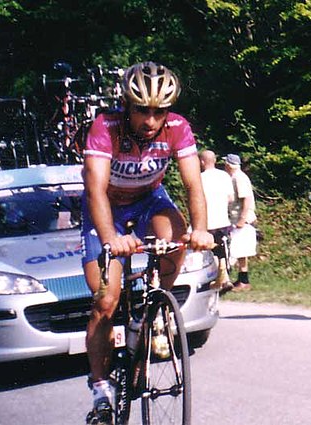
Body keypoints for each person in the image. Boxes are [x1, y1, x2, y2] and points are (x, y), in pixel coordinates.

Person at [81, 61, 213, 425]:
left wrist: (201, 229)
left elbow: (192, 185)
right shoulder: (104, 128)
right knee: (105, 300)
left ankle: (154, 311)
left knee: (177, 234)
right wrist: (111, 239)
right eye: (142, 110)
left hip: (149, 201)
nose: (151, 120)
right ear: (126, 104)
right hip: (105, 205)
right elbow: (94, 189)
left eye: (159, 111)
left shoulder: (177, 128)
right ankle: (100, 386)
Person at [199, 149, 235, 291]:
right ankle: (224, 278)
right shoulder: (224, 176)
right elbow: (231, 198)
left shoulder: (199, 178)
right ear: (214, 160)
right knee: (222, 249)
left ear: (202, 162)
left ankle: (216, 279)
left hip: (207, 221)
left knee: (209, 251)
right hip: (222, 219)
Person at [224, 153, 257, 292]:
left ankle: (244, 281)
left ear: (229, 165)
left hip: (242, 219)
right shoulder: (235, 177)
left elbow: (246, 199)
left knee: (240, 250)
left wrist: (242, 219)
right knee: (240, 251)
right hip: (237, 219)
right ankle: (242, 279)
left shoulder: (239, 178)